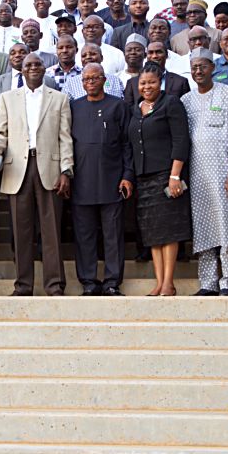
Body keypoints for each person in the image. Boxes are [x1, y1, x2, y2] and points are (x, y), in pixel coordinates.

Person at [0, 53, 73, 296]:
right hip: (17, 169)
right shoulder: (8, 98)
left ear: (44, 69)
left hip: (50, 168)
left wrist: (66, 170)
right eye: (28, 65)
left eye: (37, 64)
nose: (33, 68)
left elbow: (64, 137)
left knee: (51, 231)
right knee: (20, 230)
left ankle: (54, 285)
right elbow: (0, 132)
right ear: (21, 70)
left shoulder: (59, 98)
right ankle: (23, 285)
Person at [181, 48, 228, 296]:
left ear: (213, 68)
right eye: (194, 67)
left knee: (226, 225)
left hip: (224, 170)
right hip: (197, 173)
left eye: (203, 66)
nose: (198, 71)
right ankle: (207, 282)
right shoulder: (186, 100)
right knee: (203, 228)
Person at [70, 64, 134, 296]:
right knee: (84, 234)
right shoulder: (74, 107)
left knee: (112, 234)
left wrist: (127, 176)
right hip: (81, 181)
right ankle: (88, 281)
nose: (90, 82)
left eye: (95, 78)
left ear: (104, 80)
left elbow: (128, 144)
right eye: (86, 79)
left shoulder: (118, 106)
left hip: (112, 179)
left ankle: (111, 282)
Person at [128, 67, 191, 295]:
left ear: (160, 83)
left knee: (168, 231)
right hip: (143, 178)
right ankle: (158, 281)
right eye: (143, 83)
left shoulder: (171, 104)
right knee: (152, 233)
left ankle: (169, 282)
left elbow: (181, 140)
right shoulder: (135, 110)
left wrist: (175, 176)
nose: (147, 87)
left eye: (152, 82)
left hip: (166, 175)